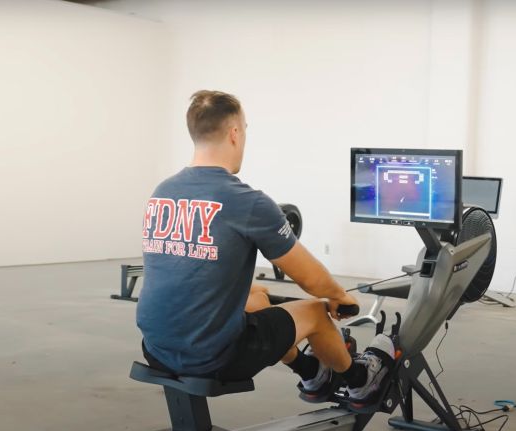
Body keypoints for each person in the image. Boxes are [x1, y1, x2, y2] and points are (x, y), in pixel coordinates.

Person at [136, 90, 394, 405]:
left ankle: (310, 370)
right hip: (212, 356)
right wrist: (340, 297)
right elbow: (311, 279)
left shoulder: (163, 191)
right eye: (245, 130)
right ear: (234, 133)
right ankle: (360, 380)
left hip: (157, 348)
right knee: (315, 311)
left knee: (257, 297)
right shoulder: (247, 201)